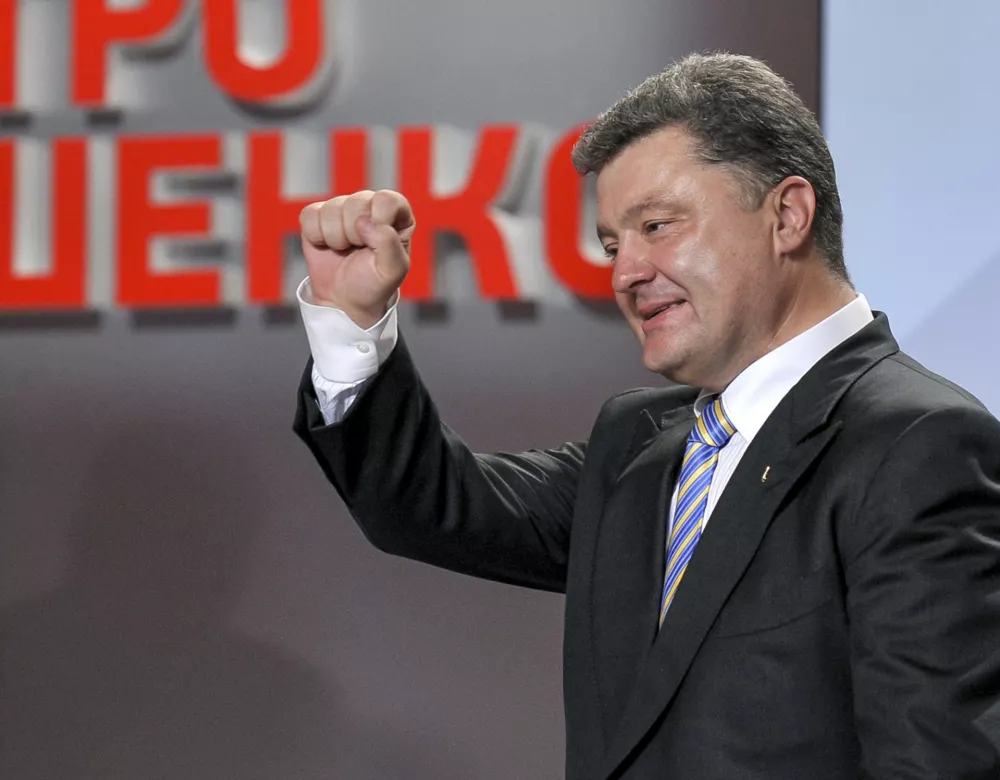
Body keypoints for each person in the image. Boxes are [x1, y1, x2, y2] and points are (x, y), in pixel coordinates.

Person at [291, 53, 1000, 778]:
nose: (625, 272)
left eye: (657, 226)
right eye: (611, 244)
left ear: (787, 215)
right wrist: (353, 322)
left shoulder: (917, 443)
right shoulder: (638, 446)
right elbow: (425, 502)